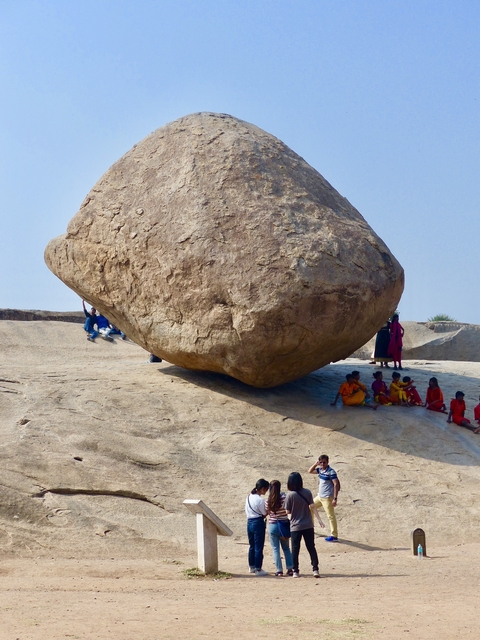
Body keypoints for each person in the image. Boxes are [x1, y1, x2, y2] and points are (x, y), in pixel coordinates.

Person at [284, 472, 324, 578]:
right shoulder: (307, 492)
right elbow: (313, 506)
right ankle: (315, 569)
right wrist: (319, 520)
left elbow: (287, 512)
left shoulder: (290, 495)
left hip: (295, 526)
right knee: (311, 547)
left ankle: (296, 571)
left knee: (295, 549)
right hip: (308, 525)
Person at [308, 455, 339, 542]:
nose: (322, 464)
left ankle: (334, 535)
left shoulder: (331, 472)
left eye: (324, 462)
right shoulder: (320, 470)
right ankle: (311, 527)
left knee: (330, 516)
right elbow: (309, 471)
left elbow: (336, 484)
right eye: (321, 462)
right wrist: (315, 464)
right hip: (320, 496)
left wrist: (335, 498)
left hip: (327, 497)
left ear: (328, 462)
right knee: (310, 507)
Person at [266, 480, 293, 577]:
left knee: (275, 549)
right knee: (286, 548)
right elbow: (288, 510)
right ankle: (290, 568)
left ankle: (279, 570)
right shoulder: (284, 497)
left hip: (272, 525)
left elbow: (267, 512)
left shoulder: (268, 500)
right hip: (284, 525)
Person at [245, 479, 270, 576]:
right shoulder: (260, 500)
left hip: (249, 522)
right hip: (258, 522)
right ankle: (258, 569)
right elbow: (264, 513)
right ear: (263, 489)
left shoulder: (248, 497)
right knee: (259, 547)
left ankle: (251, 566)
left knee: (252, 546)